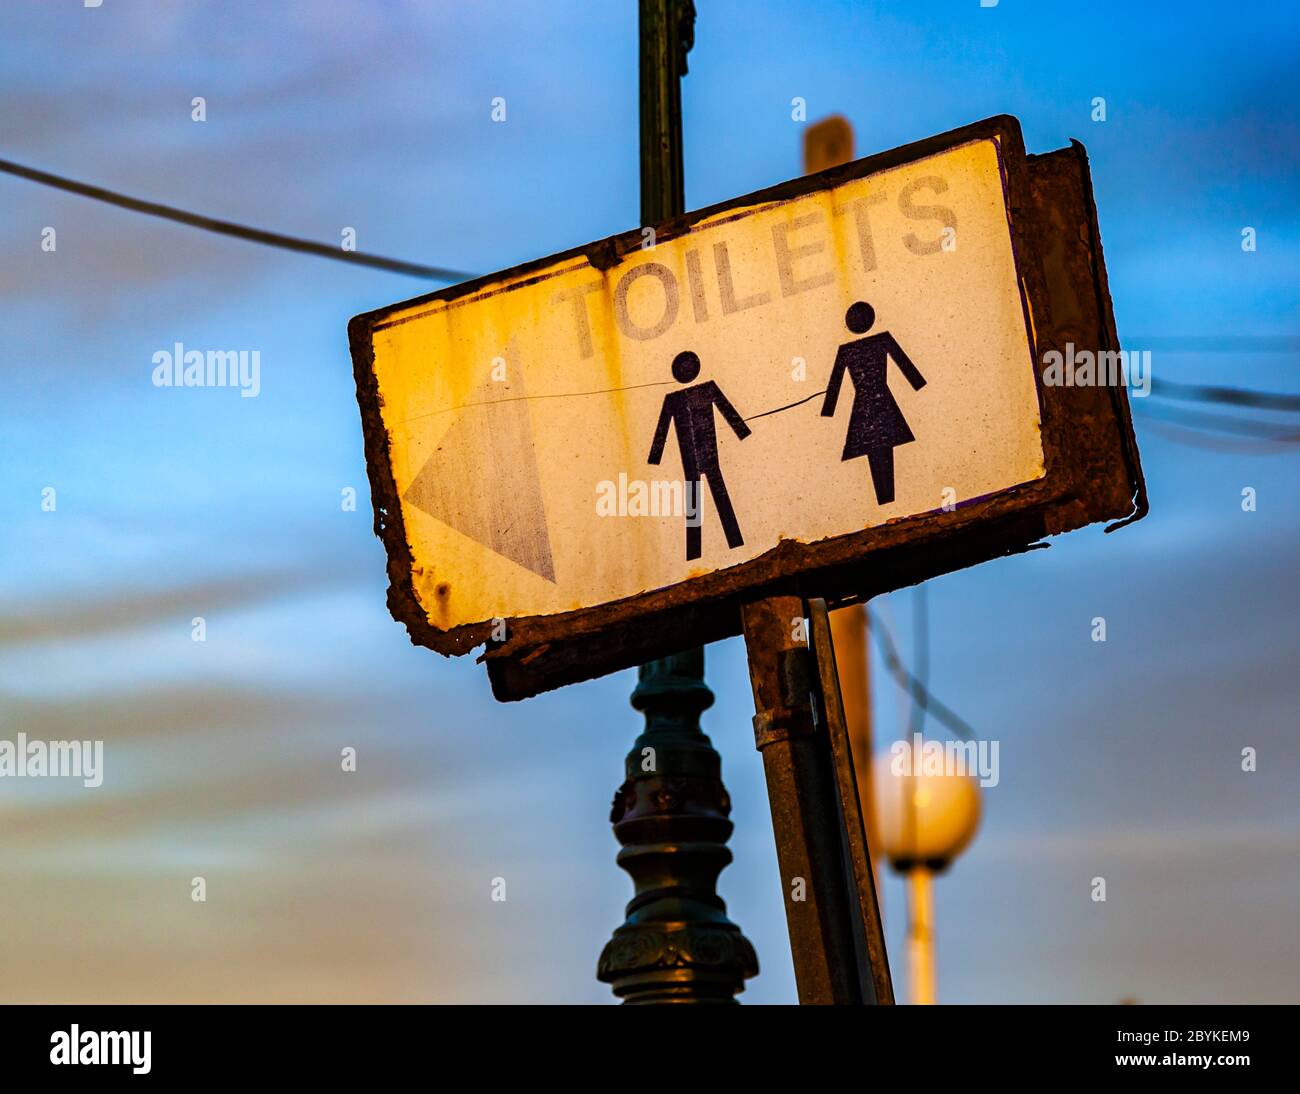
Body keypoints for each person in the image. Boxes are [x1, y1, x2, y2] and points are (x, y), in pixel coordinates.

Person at [648, 350, 751, 561]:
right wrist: (655, 456)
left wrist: (741, 430)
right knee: (696, 500)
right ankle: (696, 552)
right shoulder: (673, 399)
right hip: (691, 459)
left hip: (709, 453)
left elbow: (727, 410)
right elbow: (662, 428)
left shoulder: (706, 389)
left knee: (718, 495)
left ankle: (733, 541)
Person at [821, 301, 927, 504]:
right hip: (880, 402)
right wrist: (917, 382)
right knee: (881, 448)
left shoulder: (849, 350)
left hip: (865, 406)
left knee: (877, 449)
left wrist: (828, 409)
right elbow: (910, 371)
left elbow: (834, 387)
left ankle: (887, 500)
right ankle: (886, 500)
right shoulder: (878, 342)